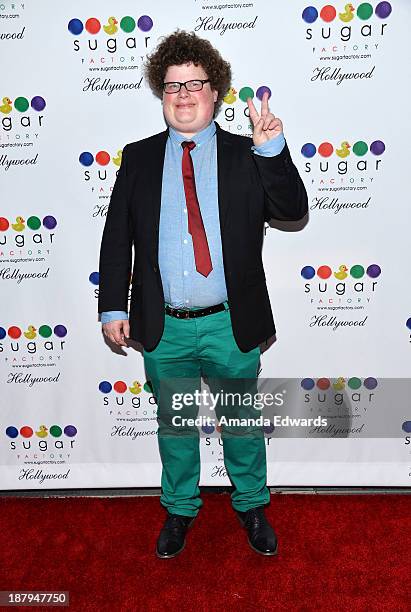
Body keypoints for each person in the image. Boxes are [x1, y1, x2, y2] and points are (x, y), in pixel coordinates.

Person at [98, 30, 308, 559]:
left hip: (229, 322)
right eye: (172, 86)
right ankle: (180, 508)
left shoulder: (248, 152)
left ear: (216, 93)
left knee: (239, 422)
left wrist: (273, 151)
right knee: (176, 426)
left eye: (195, 83)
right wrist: (112, 307)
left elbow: (290, 208)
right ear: (160, 94)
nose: (184, 94)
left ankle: (253, 504)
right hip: (162, 325)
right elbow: (116, 236)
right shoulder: (139, 157)